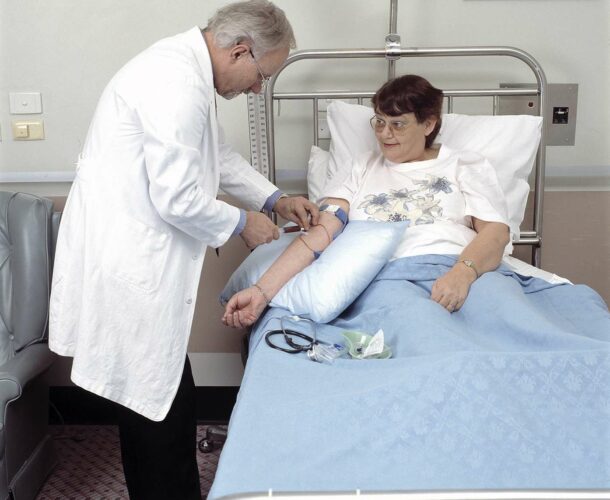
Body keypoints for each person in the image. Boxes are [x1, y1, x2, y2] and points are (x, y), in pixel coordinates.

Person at [49, 1, 318, 499]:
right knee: (155, 402)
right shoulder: (174, 82)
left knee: (162, 392)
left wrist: (276, 197)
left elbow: (218, 153)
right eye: (262, 75)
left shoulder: (184, 70)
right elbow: (176, 197)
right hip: (130, 257)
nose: (258, 88)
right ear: (240, 50)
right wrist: (244, 221)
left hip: (135, 252)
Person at [222, 74, 510, 329]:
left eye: (397, 124)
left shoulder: (464, 164)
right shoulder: (361, 167)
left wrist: (463, 274)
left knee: (509, 320)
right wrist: (261, 292)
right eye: (380, 121)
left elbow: (496, 233)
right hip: (388, 278)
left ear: (428, 124)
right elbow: (320, 234)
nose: (385, 134)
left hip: (463, 268)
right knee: (422, 328)